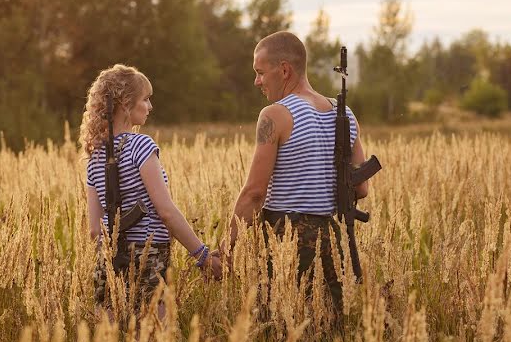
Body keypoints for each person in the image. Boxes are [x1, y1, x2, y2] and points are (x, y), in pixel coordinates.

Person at [225, 31, 370, 314]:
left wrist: (225, 249)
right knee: (330, 335)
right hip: (333, 238)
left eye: (260, 72)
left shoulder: (275, 114)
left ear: (284, 70)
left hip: (286, 240)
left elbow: (255, 194)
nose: (257, 81)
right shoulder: (344, 114)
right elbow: (361, 188)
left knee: (284, 332)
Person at [81, 64, 221, 310]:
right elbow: (166, 211)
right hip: (148, 257)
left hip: (108, 261)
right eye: (145, 99)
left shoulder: (94, 157)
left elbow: (94, 230)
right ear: (125, 103)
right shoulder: (141, 146)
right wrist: (202, 256)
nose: (150, 106)